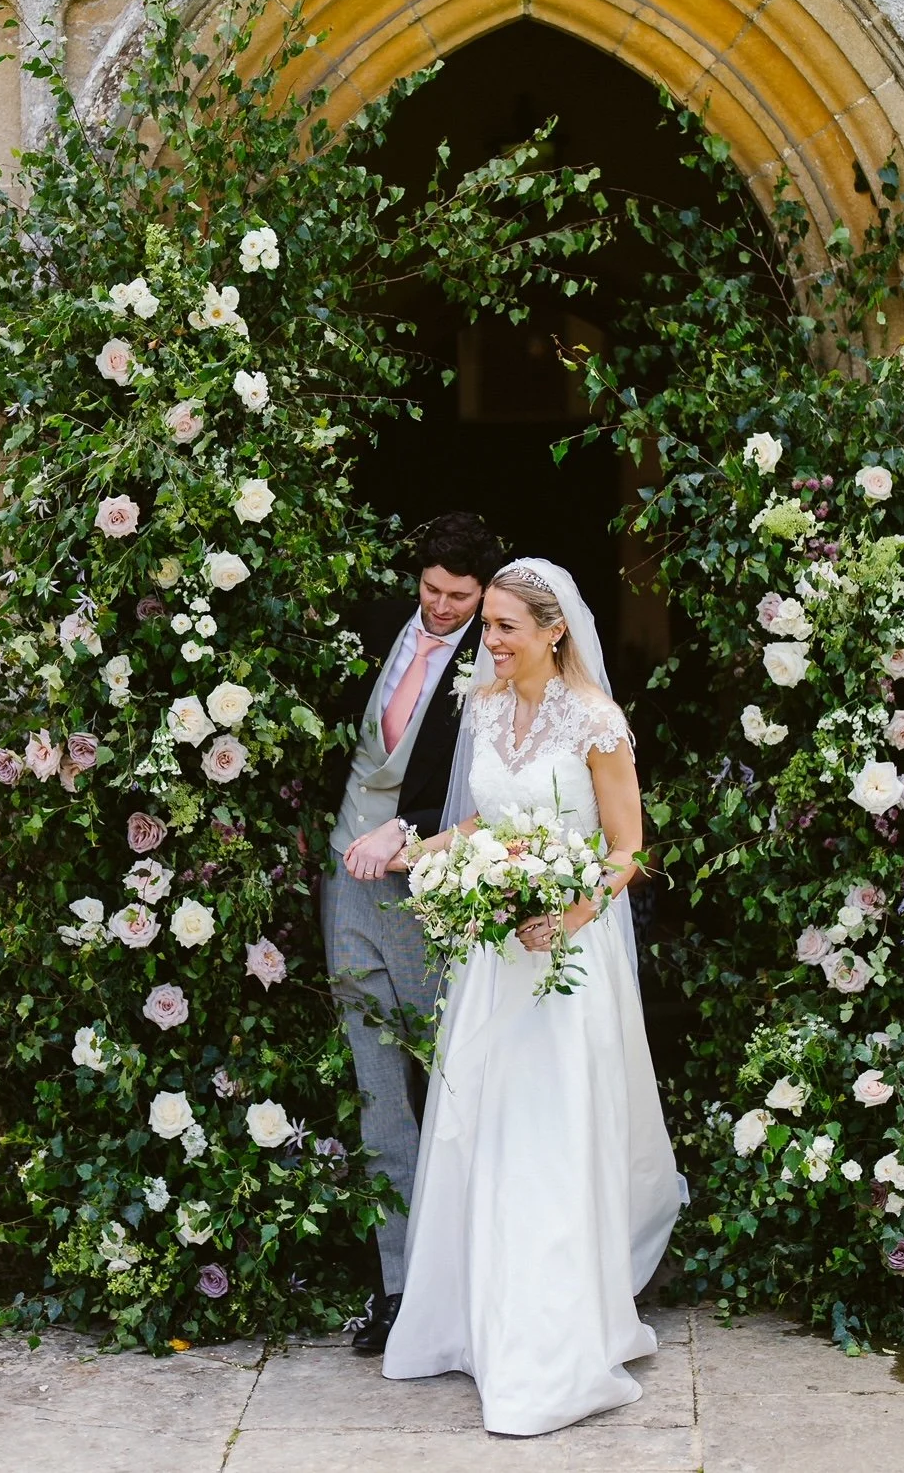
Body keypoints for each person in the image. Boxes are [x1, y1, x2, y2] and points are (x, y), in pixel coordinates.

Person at [377, 557, 682, 1435]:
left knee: (548, 1134)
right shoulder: (482, 707)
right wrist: (426, 854)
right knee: (486, 1127)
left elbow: (628, 849)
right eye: (489, 626)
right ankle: (475, 1321)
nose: (492, 641)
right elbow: (489, 820)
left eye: (506, 626)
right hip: (494, 958)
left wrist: (570, 914)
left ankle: (551, 1339)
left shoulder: (596, 721)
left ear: (555, 631)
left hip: (566, 961)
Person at [322, 510, 504, 1355]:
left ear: (484, 594)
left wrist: (407, 834)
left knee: (449, 1077)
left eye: (459, 597)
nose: (441, 607)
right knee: (375, 1085)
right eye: (432, 589)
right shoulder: (371, 627)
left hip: (428, 888)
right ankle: (396, 1288)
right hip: (343, 879)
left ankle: (459, 1285)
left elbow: (492, 790)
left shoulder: (495, 661)